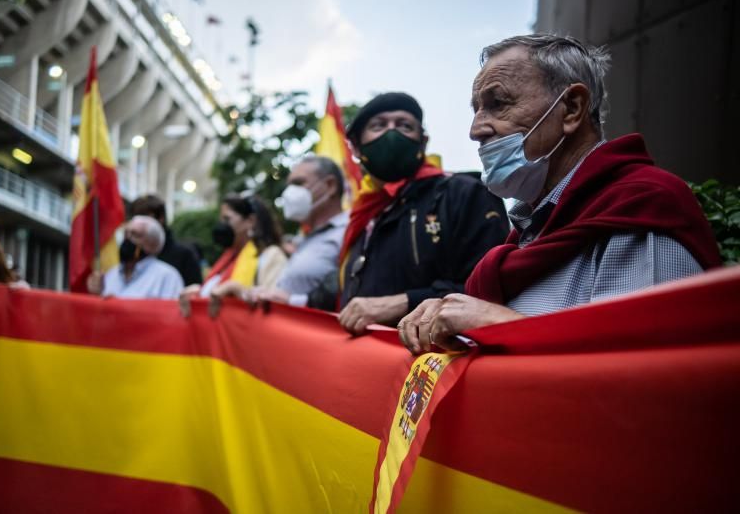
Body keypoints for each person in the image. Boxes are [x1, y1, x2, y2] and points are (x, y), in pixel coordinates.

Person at [398, 33, 722, 354]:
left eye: (498, 104)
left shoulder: (642, 206)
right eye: (476, 110)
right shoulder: (528, 233)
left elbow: (649, 371)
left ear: (571, 108)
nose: (476, 129)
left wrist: (504, 328)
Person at [336, 92, 510, 334]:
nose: (392, 132)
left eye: (404, 125)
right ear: (355, 146)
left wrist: (405, 301)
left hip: (434, 363)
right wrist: (291, 299)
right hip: (366, 362)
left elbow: (490, 288)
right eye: (378, 126)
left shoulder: (463, 193)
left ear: (423, 142)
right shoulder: (364, 215)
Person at [245, 155, 348, 309]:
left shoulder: (350, 231)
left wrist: (293, 301)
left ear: (330, 185)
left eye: (299, 183)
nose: (289, 192)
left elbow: (348, 293)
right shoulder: (304, 239)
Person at [179, 194, 287, 315]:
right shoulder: (228, 257)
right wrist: (198, 294)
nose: (222, 225)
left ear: (250, 221)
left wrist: (237, 290)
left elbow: (274, 305)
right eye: (221, 220)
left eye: (227, 219)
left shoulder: (271, 255)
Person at [87, 215, 183, 299]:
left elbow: (170, 314)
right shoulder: (110, 275)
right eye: (125, 234)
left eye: (135, 234)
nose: (128, 239)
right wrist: (97, 294)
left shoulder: (167, 277)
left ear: (152, 243)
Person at [130, 194, 202, 286]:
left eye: (145, 219)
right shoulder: (132, 255)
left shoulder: (184, 255)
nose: (137, 225)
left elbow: (194, 290)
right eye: (135, 219)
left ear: (161, 219)